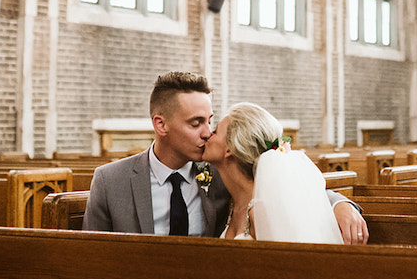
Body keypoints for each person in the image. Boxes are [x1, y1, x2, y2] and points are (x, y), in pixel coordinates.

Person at [83, 71, 368, 243]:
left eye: (210, 121)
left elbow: (282, 187)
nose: (207, 132)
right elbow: (89, 259)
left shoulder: (222, 172)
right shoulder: (111, 181)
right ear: (161, 125)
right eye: (195, 123)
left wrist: (341, 205)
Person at [203, 101, 344, 243]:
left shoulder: (265, 212)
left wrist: (340, 204)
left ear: (230, 148)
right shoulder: (232, 202)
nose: (208, 134)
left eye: (215, 131)